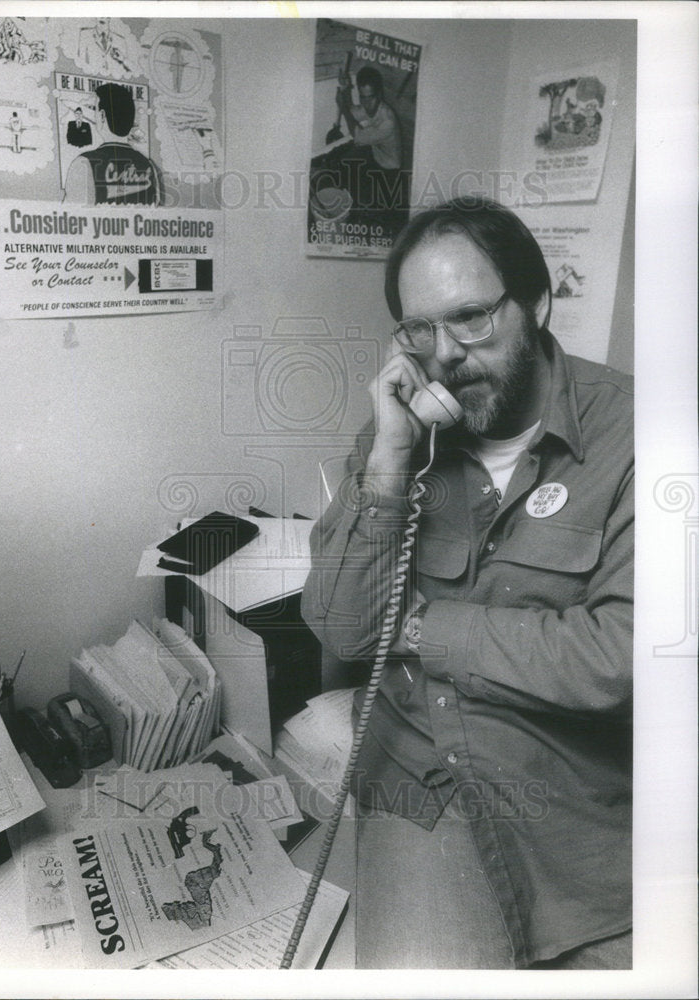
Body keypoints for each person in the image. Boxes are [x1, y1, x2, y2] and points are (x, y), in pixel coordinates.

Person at [301, 196, 633, 969]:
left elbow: (619, 656)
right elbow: (344, 628)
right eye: (419, 328)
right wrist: (388, 461)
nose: (443, 352)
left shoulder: (640, 437)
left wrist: (419, 627)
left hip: (575, 793)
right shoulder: (404, 435)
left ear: (538, 303)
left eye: (472, 318)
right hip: (423, 778)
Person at [311, 66, 407, 219]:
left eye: (371, 97)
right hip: (376, 154)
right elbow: (351, 111)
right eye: (363, 97)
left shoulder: (387, 120)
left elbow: (357, 136)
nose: (367, 103)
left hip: (389, 172)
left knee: (366, 207)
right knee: (343, 164)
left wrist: (342, 105)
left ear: (380, 94)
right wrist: (345, 89)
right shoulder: (371, 107)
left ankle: (362, 210)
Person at [63, 83, 161, 205]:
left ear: (102, 116)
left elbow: (71, 217)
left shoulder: (84, 163)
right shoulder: (149, 165)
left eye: (95, 109)